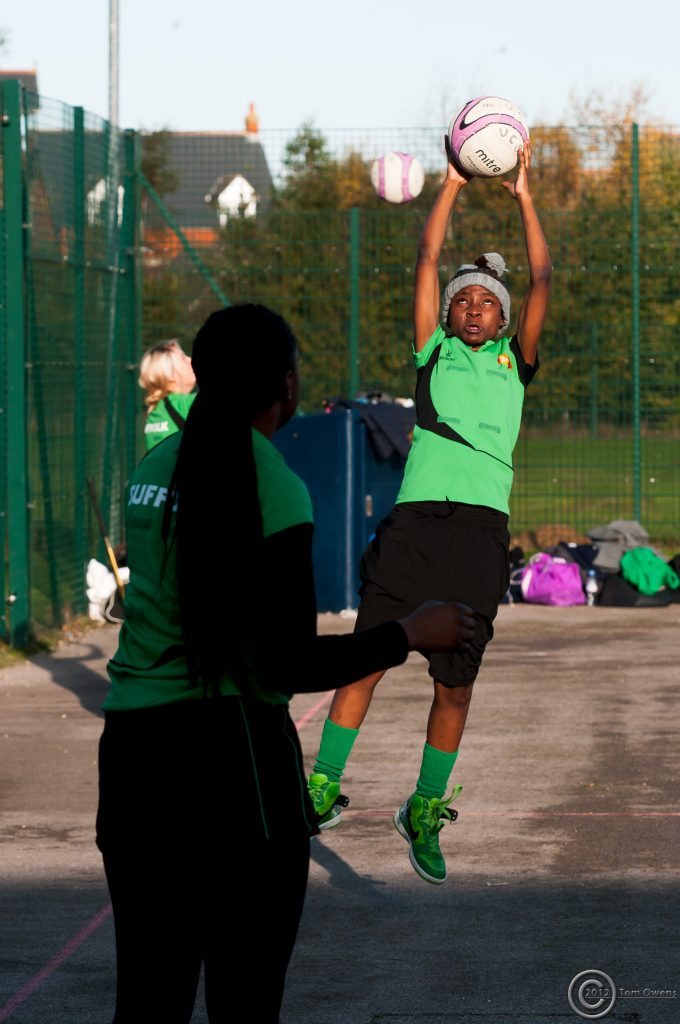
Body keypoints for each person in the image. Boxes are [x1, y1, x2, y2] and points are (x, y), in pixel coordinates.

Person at [96, 303, 475, 1024]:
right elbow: (286, 662)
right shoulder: (274, 487)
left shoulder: (151, 467)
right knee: (245, 1004)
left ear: (200, 377)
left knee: (147, 1000)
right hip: (232, 766)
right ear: (289, 386)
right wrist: (408, 633)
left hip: (135, 762)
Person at [307, 141, 552, 885]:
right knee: (369, 656)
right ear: (447, 313)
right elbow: (424, 257)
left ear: (504, 321)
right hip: (414, 524)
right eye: (463, 299)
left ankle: (423, 804)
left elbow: (542, 276)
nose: (474, 306)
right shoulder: (433, 351)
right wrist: (449, 186)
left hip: (479, 533)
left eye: (487, 302)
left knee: (455, 683)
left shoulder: (517, 363)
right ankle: (319, 784)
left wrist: (523, 195)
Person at [138, 339, 196, 450]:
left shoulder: (155, 412)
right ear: (169, 374)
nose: (190, 359)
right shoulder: (183, 404)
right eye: (183, 358)